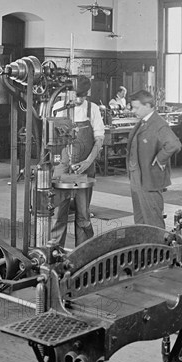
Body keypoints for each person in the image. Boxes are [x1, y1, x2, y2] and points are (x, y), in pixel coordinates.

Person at [51, 75, 105, 247]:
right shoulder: (58, 107)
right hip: (63, 167)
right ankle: (55, 250)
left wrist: (88, 162)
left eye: (81, 95)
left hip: (84, 168)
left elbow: (99, 139)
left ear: (87, 92)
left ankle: (84, 251)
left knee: (83, 213)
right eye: (75, 95)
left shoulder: (93, 109)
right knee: (59, 211)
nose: (78, 99)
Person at [127, 89, 182, 229]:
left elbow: (174, 144)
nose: (134, 111)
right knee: (140, 219)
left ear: (147, 106)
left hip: (149, 179)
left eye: (136, 107)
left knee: (153, 221)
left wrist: (160, 159)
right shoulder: (143, 122)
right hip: (137, 176)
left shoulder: (158, 124)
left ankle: (157, 248)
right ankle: (143, 247)